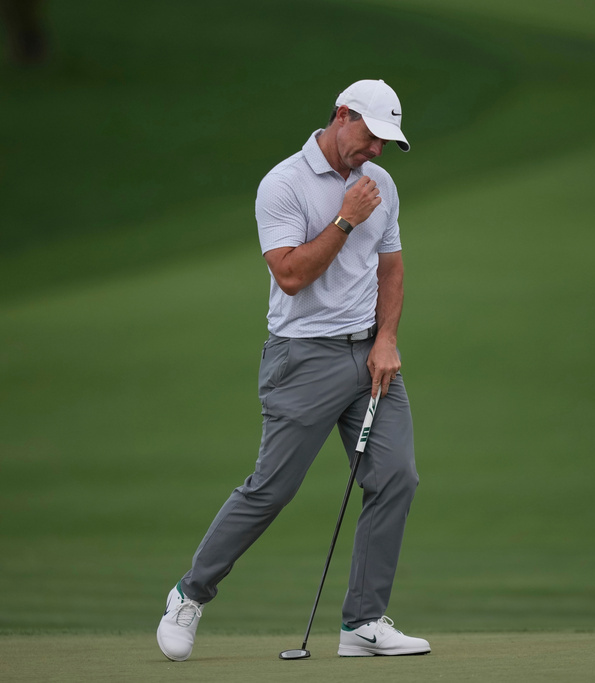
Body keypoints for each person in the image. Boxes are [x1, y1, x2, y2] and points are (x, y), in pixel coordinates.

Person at [156, 79, 429, 660]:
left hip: (369, 357)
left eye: (386, 143)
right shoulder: (283, 184)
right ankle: (189, 593)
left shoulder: (381, 183)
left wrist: (387, 339)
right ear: (342, 116)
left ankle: (363, 623)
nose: (377, 152)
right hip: (302, 357)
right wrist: (345, 220)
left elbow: (393, 270)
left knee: (396, 477)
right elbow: (291, 275)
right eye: (372, 136)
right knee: (271, 490)